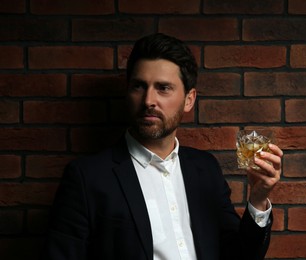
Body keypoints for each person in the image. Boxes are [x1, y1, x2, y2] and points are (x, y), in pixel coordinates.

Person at [43, 33, 283, 260]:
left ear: (189, 100)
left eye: (163, 88)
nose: (149, 100)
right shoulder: (87, 177)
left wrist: (259, 198)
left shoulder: (205, 169)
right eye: (139, 86)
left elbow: (239, 255)